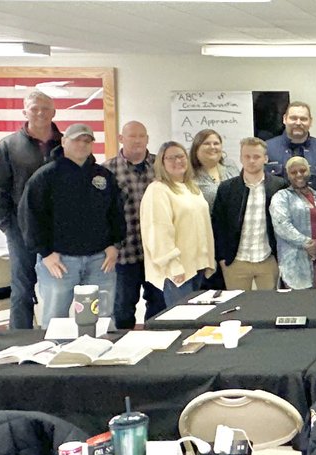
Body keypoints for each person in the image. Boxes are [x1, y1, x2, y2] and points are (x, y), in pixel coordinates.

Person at [18, 123, 124, 326]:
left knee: (103, 321)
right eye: (76, 140)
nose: (82, 145)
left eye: (87, 141)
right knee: (55, 322)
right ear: (64, 141)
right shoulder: (45, 176)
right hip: (60, 262)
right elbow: (29, 217)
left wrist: (115, 244)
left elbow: (116, 213)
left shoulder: (103, 176)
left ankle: (101, 348)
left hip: (100, 261)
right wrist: (45, 253)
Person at [0, 89, 60, 329]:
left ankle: (57, 336)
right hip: (20, 230)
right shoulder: (8, 145)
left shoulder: (66, 143)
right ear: (25, 112)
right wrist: (7, 226)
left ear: (54, 112)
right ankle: (19, 341)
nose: (40, 113)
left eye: (45, 109)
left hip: (58, 230)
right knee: (22, 288)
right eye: (34, 108)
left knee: (60, 287)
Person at [104, 120, 166, 329]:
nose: (137, 140)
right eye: (132, 136)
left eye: (141, 136)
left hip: (157, 252)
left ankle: (156, 344)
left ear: (147, 139)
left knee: (160, 305)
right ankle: (123, 344)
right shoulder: (107, 170)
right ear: (121, 138)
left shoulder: (162, 166)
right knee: (122, 307)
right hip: (124, 252)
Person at [140, 141, 215, 307]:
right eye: (171, 158)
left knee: (195, 318)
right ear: (161, 163)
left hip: (197, 267)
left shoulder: (191, 188)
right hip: (177, 273)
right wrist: (173, 266)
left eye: (181, 156)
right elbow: (158, 233)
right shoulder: (158, 190)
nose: (178, 161)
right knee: (182, 319)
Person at [212, 138, 287, 291]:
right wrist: (222, 258)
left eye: (256, 156)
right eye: (247, 156)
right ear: (240, 158)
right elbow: (218, 226)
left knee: (270, 304)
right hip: (236, 260)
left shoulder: (278, 186)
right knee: (237, 304)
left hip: (268, 259)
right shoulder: (227, 188)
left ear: (266, 158)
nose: (251, 161)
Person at [270, 156, 316, 289]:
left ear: (309, 171)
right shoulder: (281, 197)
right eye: (293, 172)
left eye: (303, 170)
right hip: (293, 263)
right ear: (287, 175)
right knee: (295, 301)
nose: (299, 175)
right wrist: (308, 244)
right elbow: (282, 226)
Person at [266, 101, 316, 196]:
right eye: (293, 118)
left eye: (303, 119)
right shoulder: (266, 150)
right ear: (284, 119)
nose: (298, 123)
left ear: (310, 122)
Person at [189, 128, 240, 209]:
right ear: (196, 148)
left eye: (216, 143)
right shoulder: (189, 174)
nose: (212, 147)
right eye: (206, 144)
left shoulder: (230, 165)